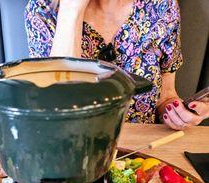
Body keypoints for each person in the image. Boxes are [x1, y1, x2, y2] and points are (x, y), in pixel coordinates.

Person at [25, 0, 209, 129]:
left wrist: (177, 112)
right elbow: (58, 104)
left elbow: (165, 96)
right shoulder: (43, 10)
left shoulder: (163, 7)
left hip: (141, 154)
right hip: (73, 149)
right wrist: (72, 9)